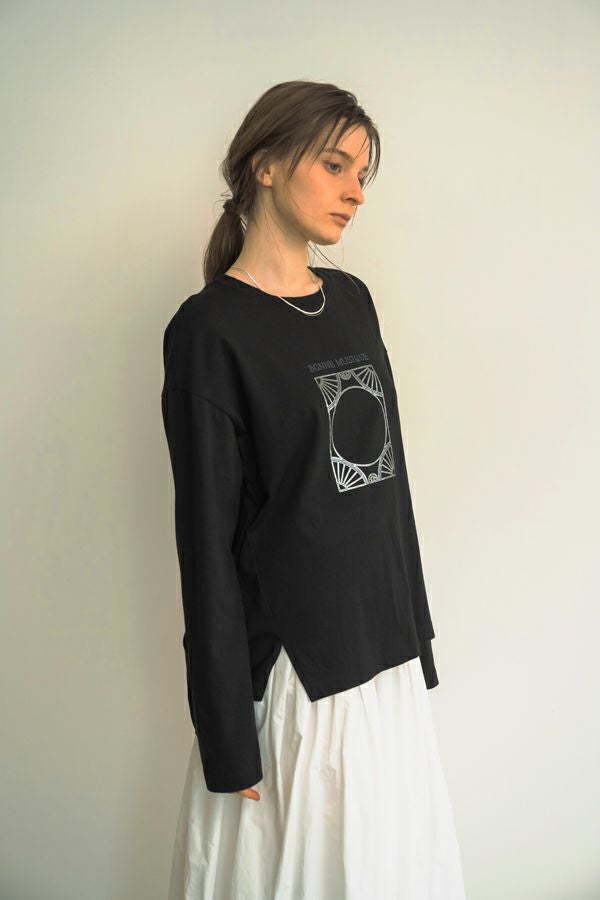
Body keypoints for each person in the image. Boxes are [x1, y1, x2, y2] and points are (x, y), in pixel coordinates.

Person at [161, 79, 467, 899]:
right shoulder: (210, 331)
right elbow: (207, 545)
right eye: (335, 166)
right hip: (303, 674)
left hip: (384, 657)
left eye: (362, 174)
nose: (355, 192)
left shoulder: (353, 302)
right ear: (264, 165)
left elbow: (387, 496)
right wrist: (227, 733)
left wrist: (414, 636)